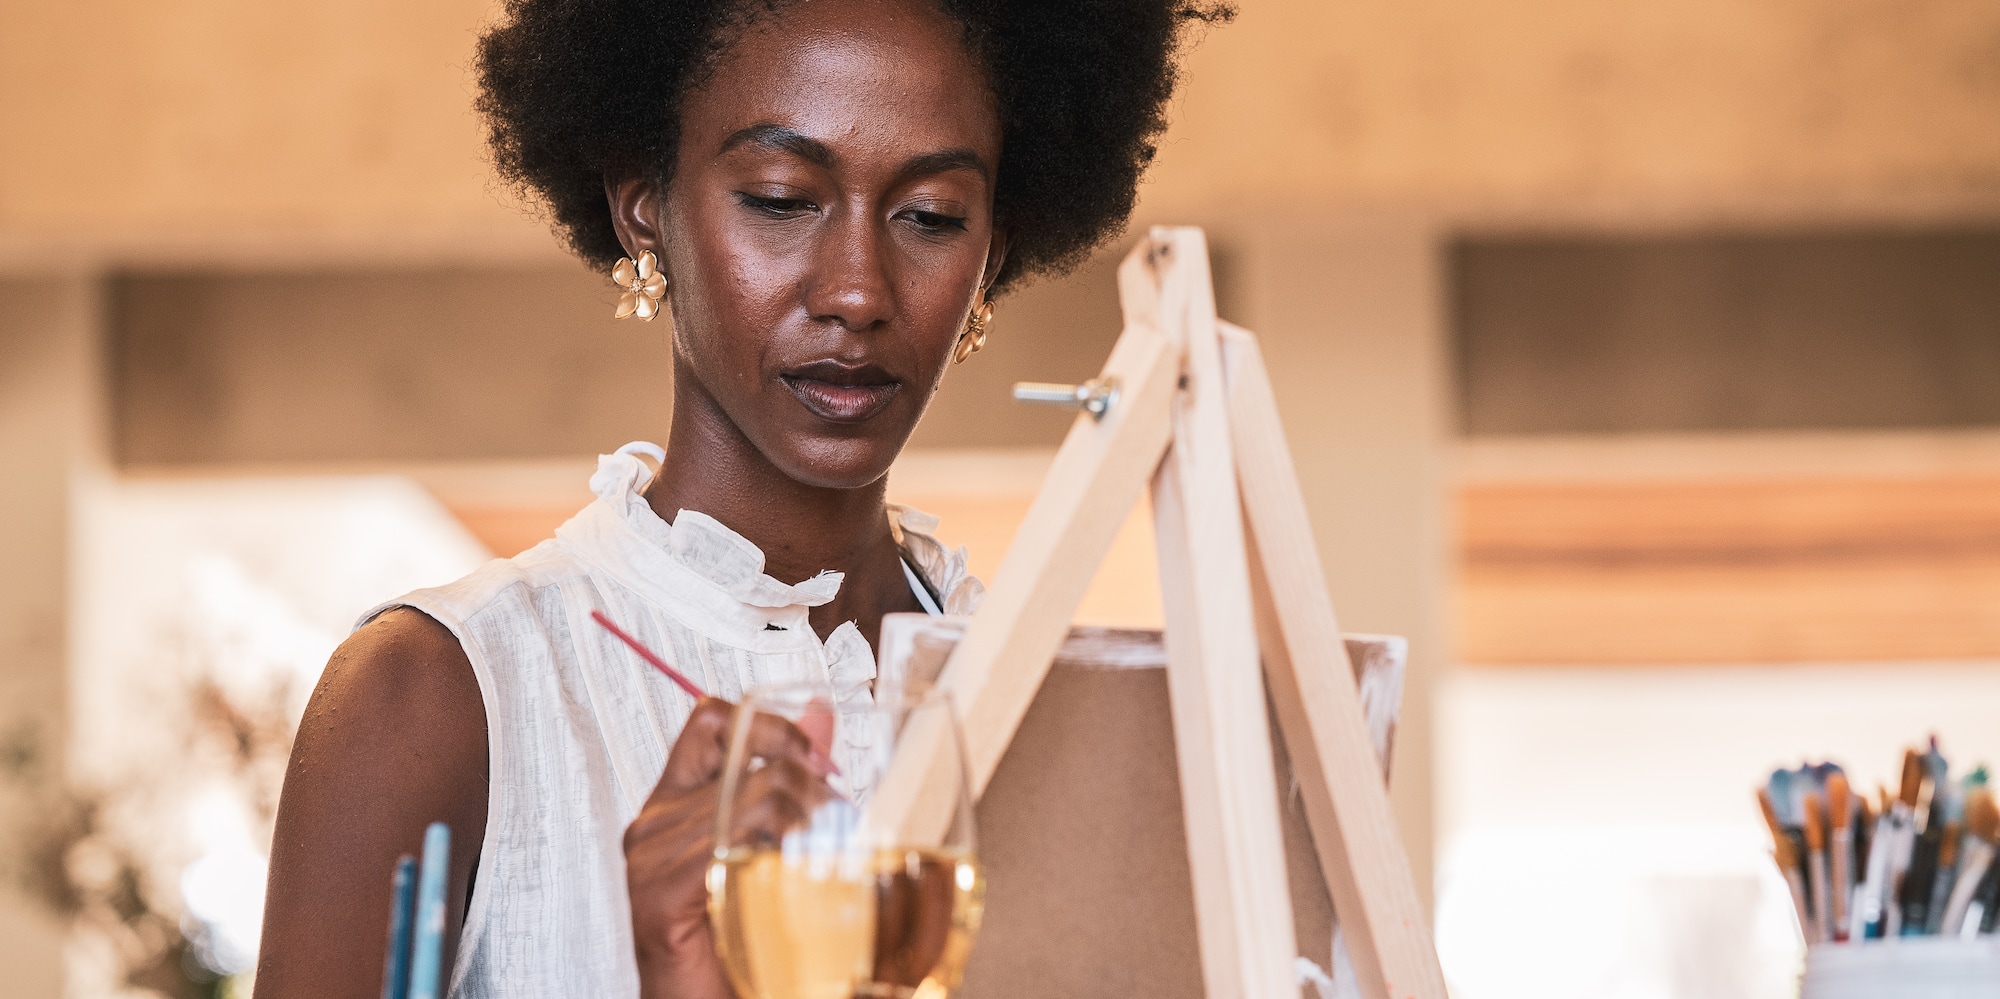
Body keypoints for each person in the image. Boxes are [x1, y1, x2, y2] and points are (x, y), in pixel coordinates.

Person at [253, 0, 1228, 995]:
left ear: (993, 255)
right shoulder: (438, 700)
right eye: (777, 197)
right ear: (644, 207)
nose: (857, 289)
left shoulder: (1061, 716)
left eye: (931, 216)